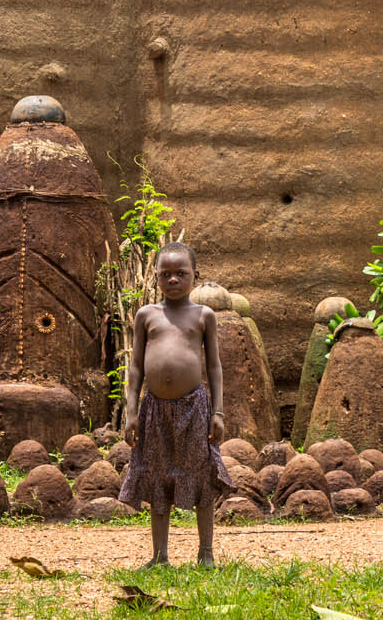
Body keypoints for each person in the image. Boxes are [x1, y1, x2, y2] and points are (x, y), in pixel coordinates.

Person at [118, 241, 233, 567]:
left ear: (195, 276)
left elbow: (214, 367)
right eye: (164, 274)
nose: (172, 280)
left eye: (180, 273)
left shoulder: (203, 316)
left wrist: (218, 412)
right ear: (155, 277)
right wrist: (131, 413)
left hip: (195, 408)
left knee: (201, 474)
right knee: (157, 477)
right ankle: (159, 555)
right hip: (153, 409)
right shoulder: (146, 315)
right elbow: (137, 367)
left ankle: (206, 553)